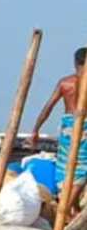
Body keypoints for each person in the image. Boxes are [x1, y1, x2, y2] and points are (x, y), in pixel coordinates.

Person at [28, 47, 86, 208]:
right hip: (84, 125)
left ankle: (69, 206)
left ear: (75, 63)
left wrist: (35, 129)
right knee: (83, 166)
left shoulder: (65, 83)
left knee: (65, 163)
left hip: (68, 125)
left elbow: (48, 107)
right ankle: (67, 207)